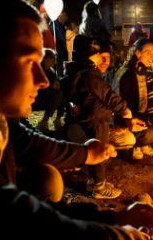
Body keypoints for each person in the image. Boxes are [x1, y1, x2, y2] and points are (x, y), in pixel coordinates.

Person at [0, 0, 153, 240]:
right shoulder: (92, 77)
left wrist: (114, 218)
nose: (43, 79)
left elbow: (28, 144)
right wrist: (116, 239)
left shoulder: (3, 125)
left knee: (48, 179)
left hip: (85, 133)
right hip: (88, 128)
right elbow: (20, 220)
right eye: (28, 61)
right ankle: (99, 183)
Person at [61, 34, 146, 198]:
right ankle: (99, 186)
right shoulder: (89, 75)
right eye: (98, 54)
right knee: (100, 151)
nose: (101, 58)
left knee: (97, 149)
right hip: (96, 120)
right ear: (90, 55)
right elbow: (107, 94)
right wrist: (124, 109)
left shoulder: (75, 72)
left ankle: (93, 182)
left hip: (89, 118)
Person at [33, 48, 65, 131]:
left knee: (63, 93)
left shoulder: (51, 72)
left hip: (47, 96)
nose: (54, 61)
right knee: (60, 94)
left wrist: (57, 85)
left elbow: (55, 83)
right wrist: (52, 87)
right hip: (37, 97)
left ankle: (57, 119)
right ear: (46, 59)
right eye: (53, 58)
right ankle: (45, 121)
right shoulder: (38, 69)